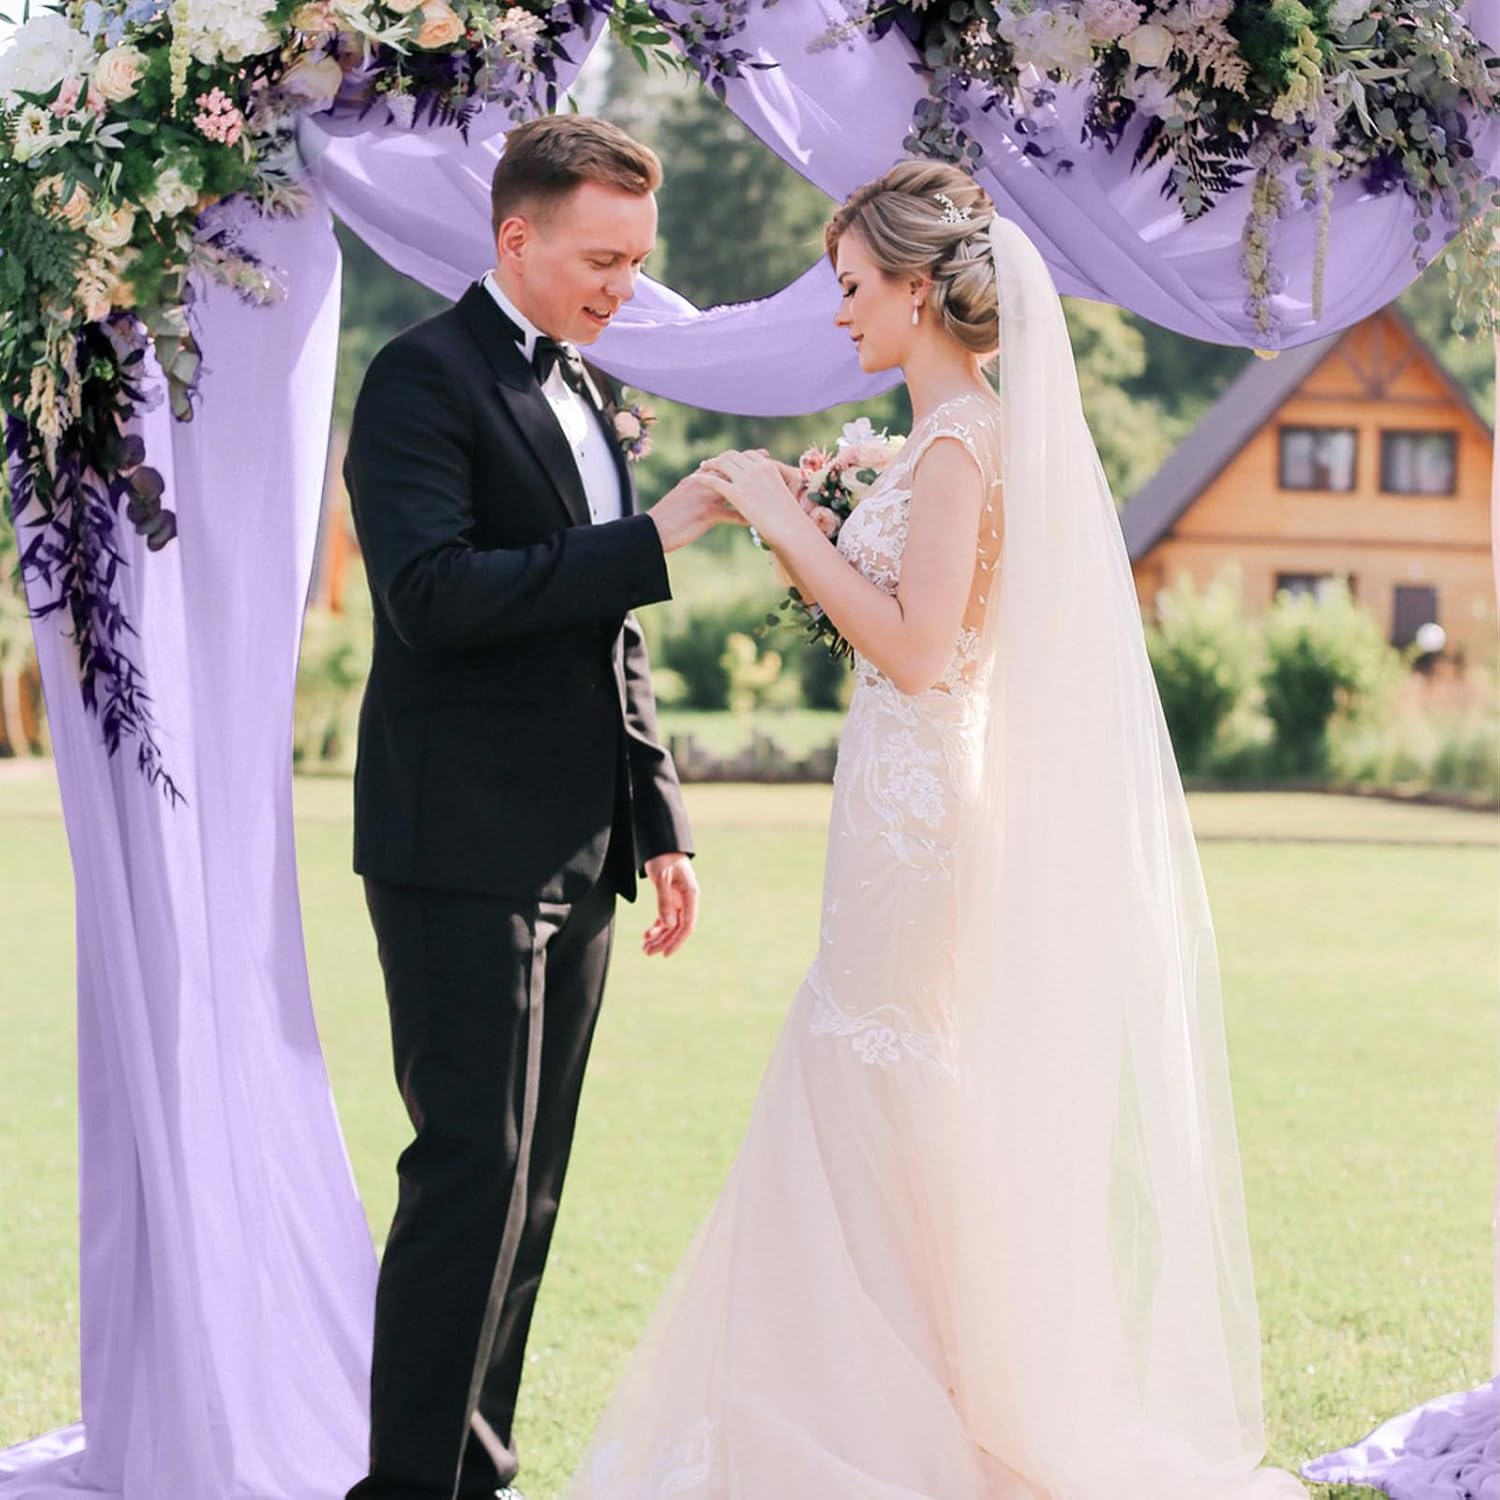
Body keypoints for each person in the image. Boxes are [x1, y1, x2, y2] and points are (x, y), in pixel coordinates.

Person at [565, 161, 1307, 1500]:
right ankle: (877, 1398)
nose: (841, 312)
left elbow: (915, 650)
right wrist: (817, 529)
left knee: (878, 1067)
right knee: (879, 1072)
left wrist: (789, 525)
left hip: (920, 815)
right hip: (897, 801)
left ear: (918, 290)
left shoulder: (963, 441)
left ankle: (896, 1426)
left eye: (853, 286)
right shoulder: (945, 438)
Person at [342, 115, 734, 1500]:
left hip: (583, 841)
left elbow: (605, 626)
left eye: (637, 260)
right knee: (471, 1174)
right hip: (456, 837)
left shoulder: (585, 382)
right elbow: (428, 597)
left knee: (534, 1185)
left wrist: (659, 816)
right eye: (602, 260)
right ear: (516, 239)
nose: (626, 286)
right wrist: (648, 536)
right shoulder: (419, 377)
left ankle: (479, 1475)